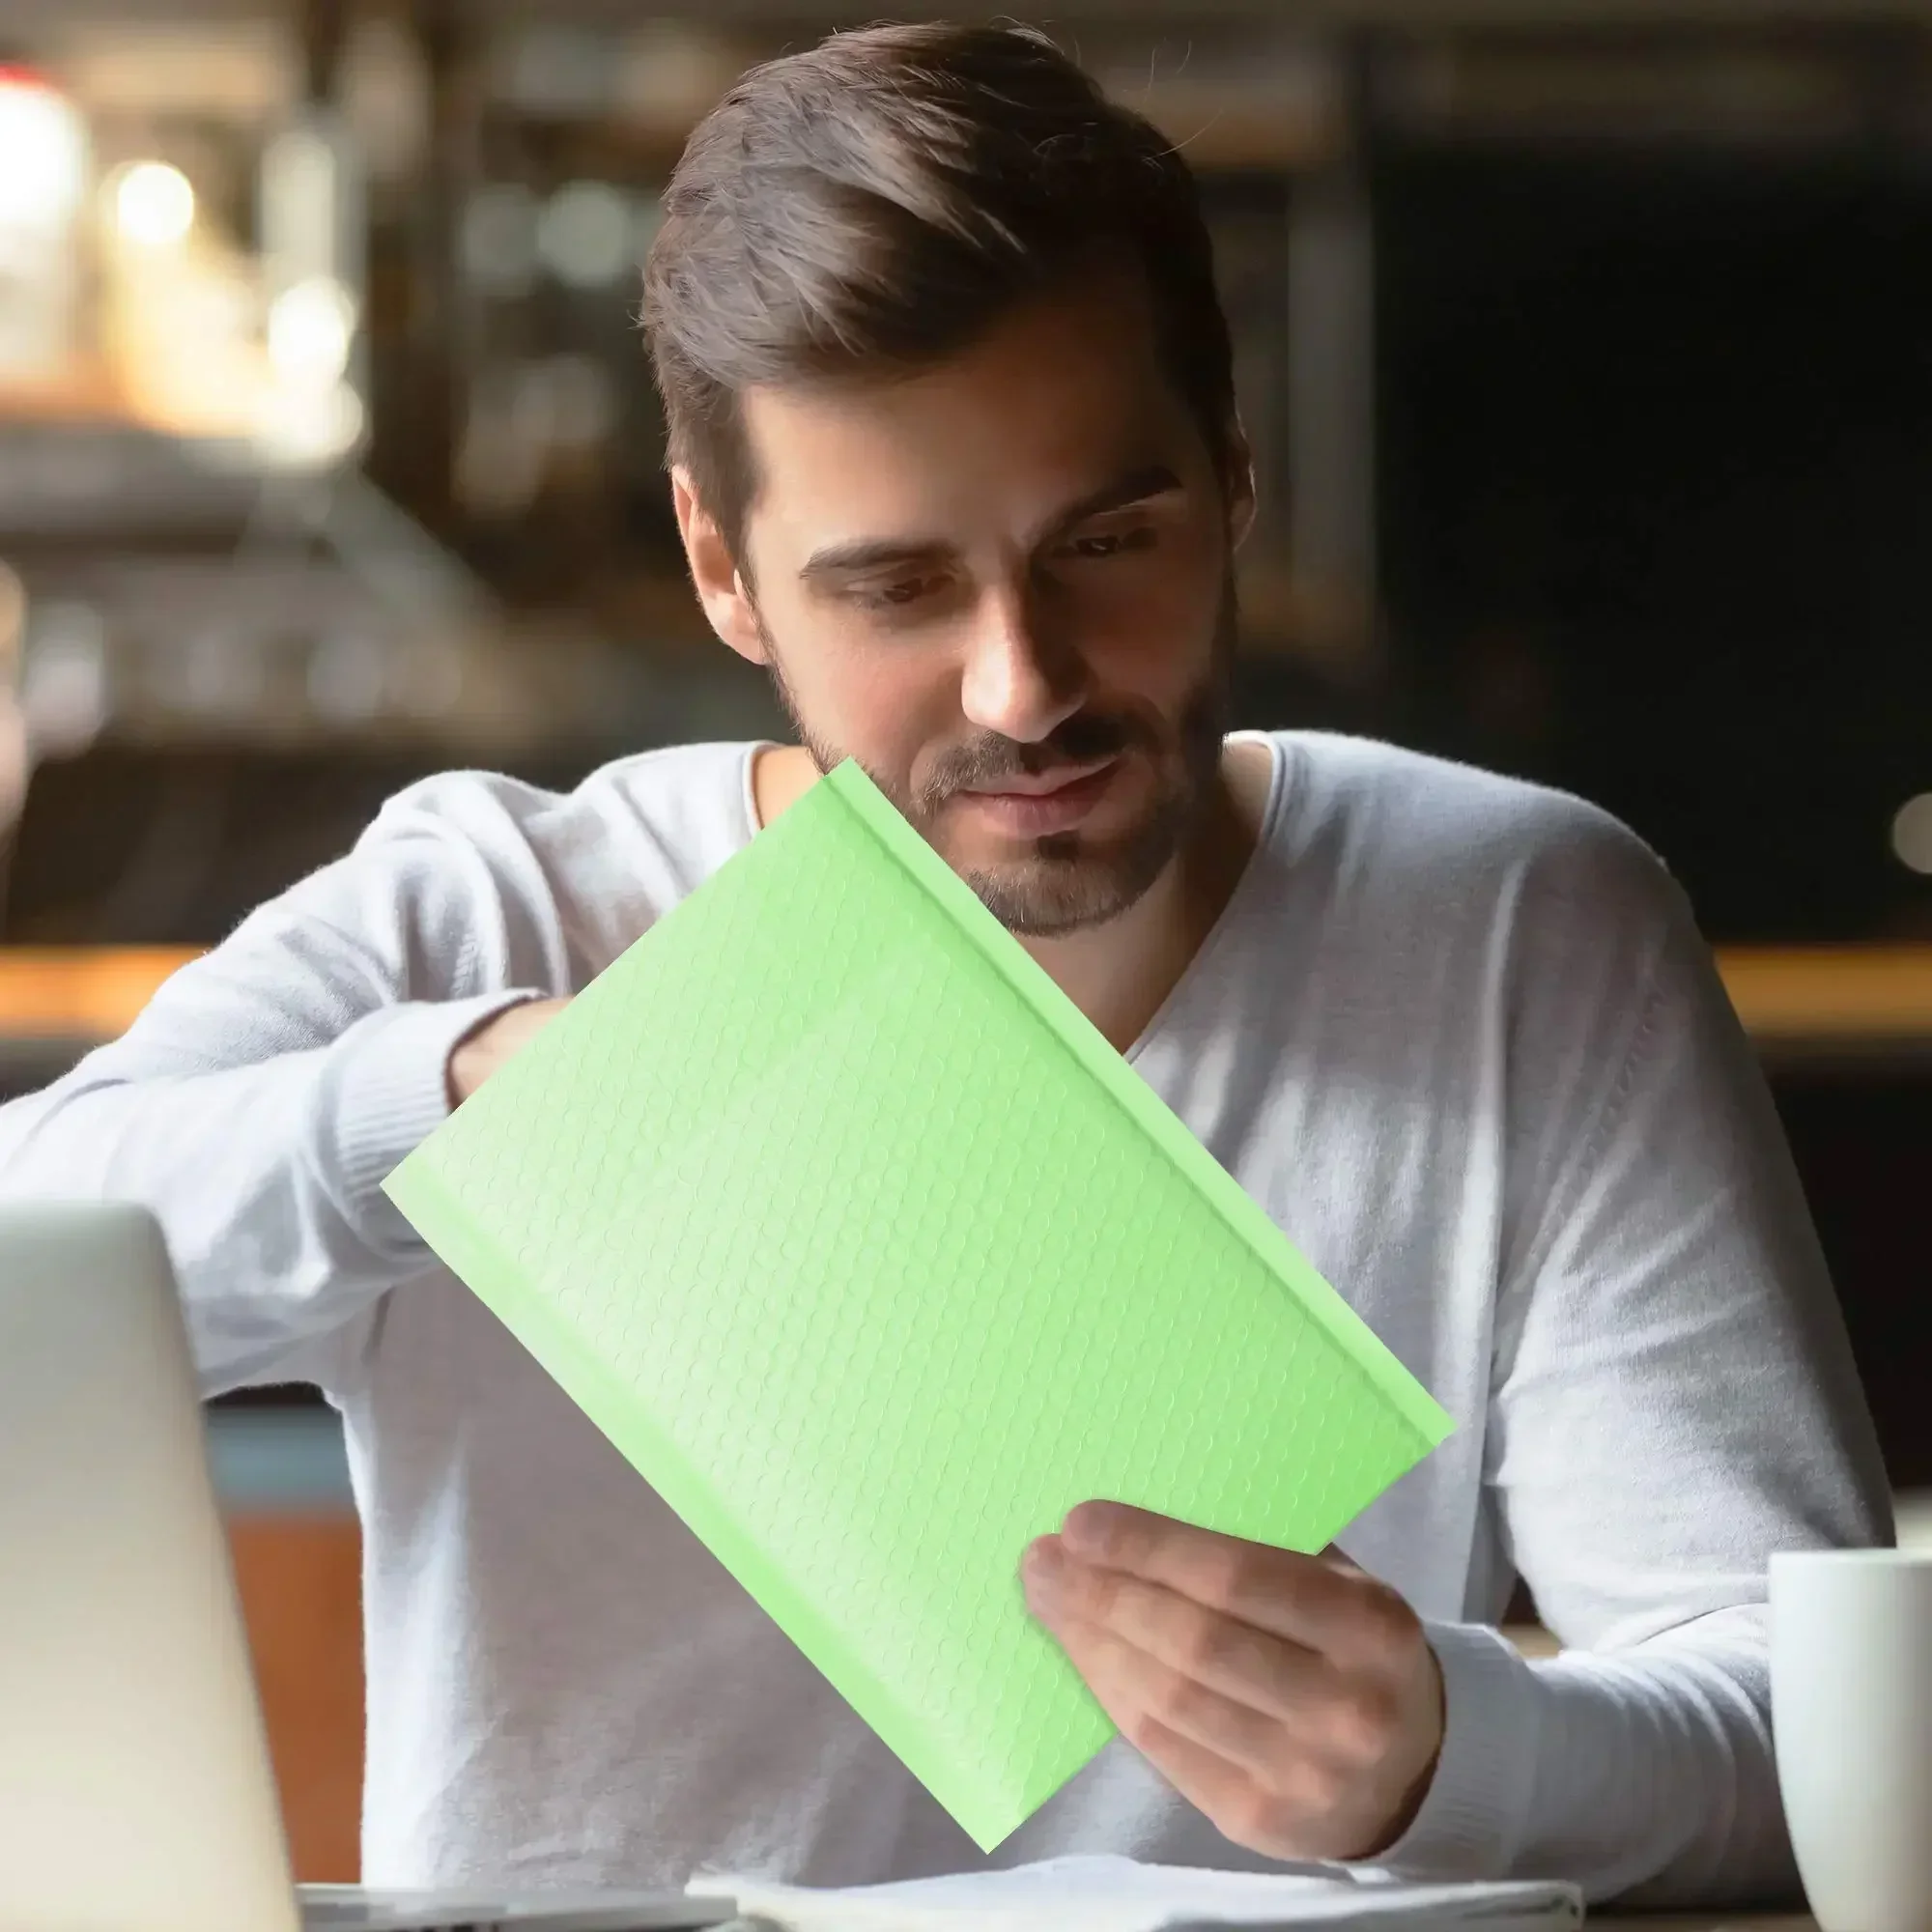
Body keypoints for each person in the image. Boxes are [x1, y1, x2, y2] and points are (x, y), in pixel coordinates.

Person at [0, 18, 1888, 1909]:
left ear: (1234, 480)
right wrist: (454, 1092)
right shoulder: (495, 912)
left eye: (1106, 539)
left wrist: (1449, 1756)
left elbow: (1809, 1751)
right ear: (721, 567)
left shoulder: (1513, 931)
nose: (1025, 683)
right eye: (896, 586)